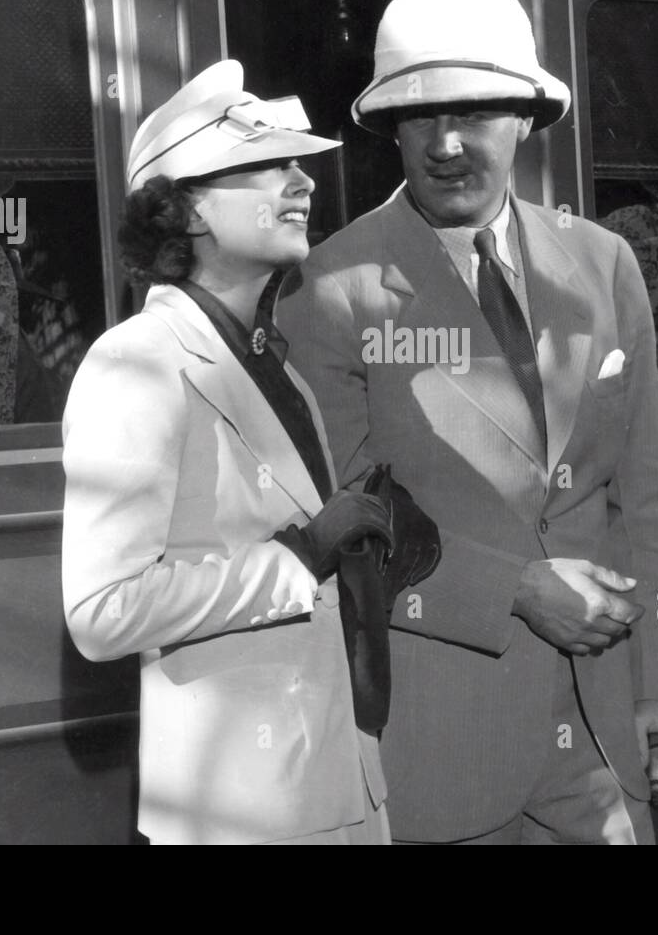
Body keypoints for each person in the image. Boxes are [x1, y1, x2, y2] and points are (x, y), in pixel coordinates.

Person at [279, 0, 658, 844]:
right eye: (420, 117)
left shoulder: (604, 262)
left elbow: (648, 500)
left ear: (525, 119)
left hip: (606, 733)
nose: (447, 144)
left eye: (475, 112)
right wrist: (517, 589)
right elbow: (342, 520)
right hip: (441, 748)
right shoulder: (326, 289)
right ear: (391, 129)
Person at [61, 59, 403, 845]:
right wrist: (300, 555)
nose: (302, 183)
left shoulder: (274, 365)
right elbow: (101, 611)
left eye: (298, 165)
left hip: (333, 785)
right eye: (266, 168)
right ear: (185, 212)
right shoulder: (137, 361)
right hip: (239, 812)